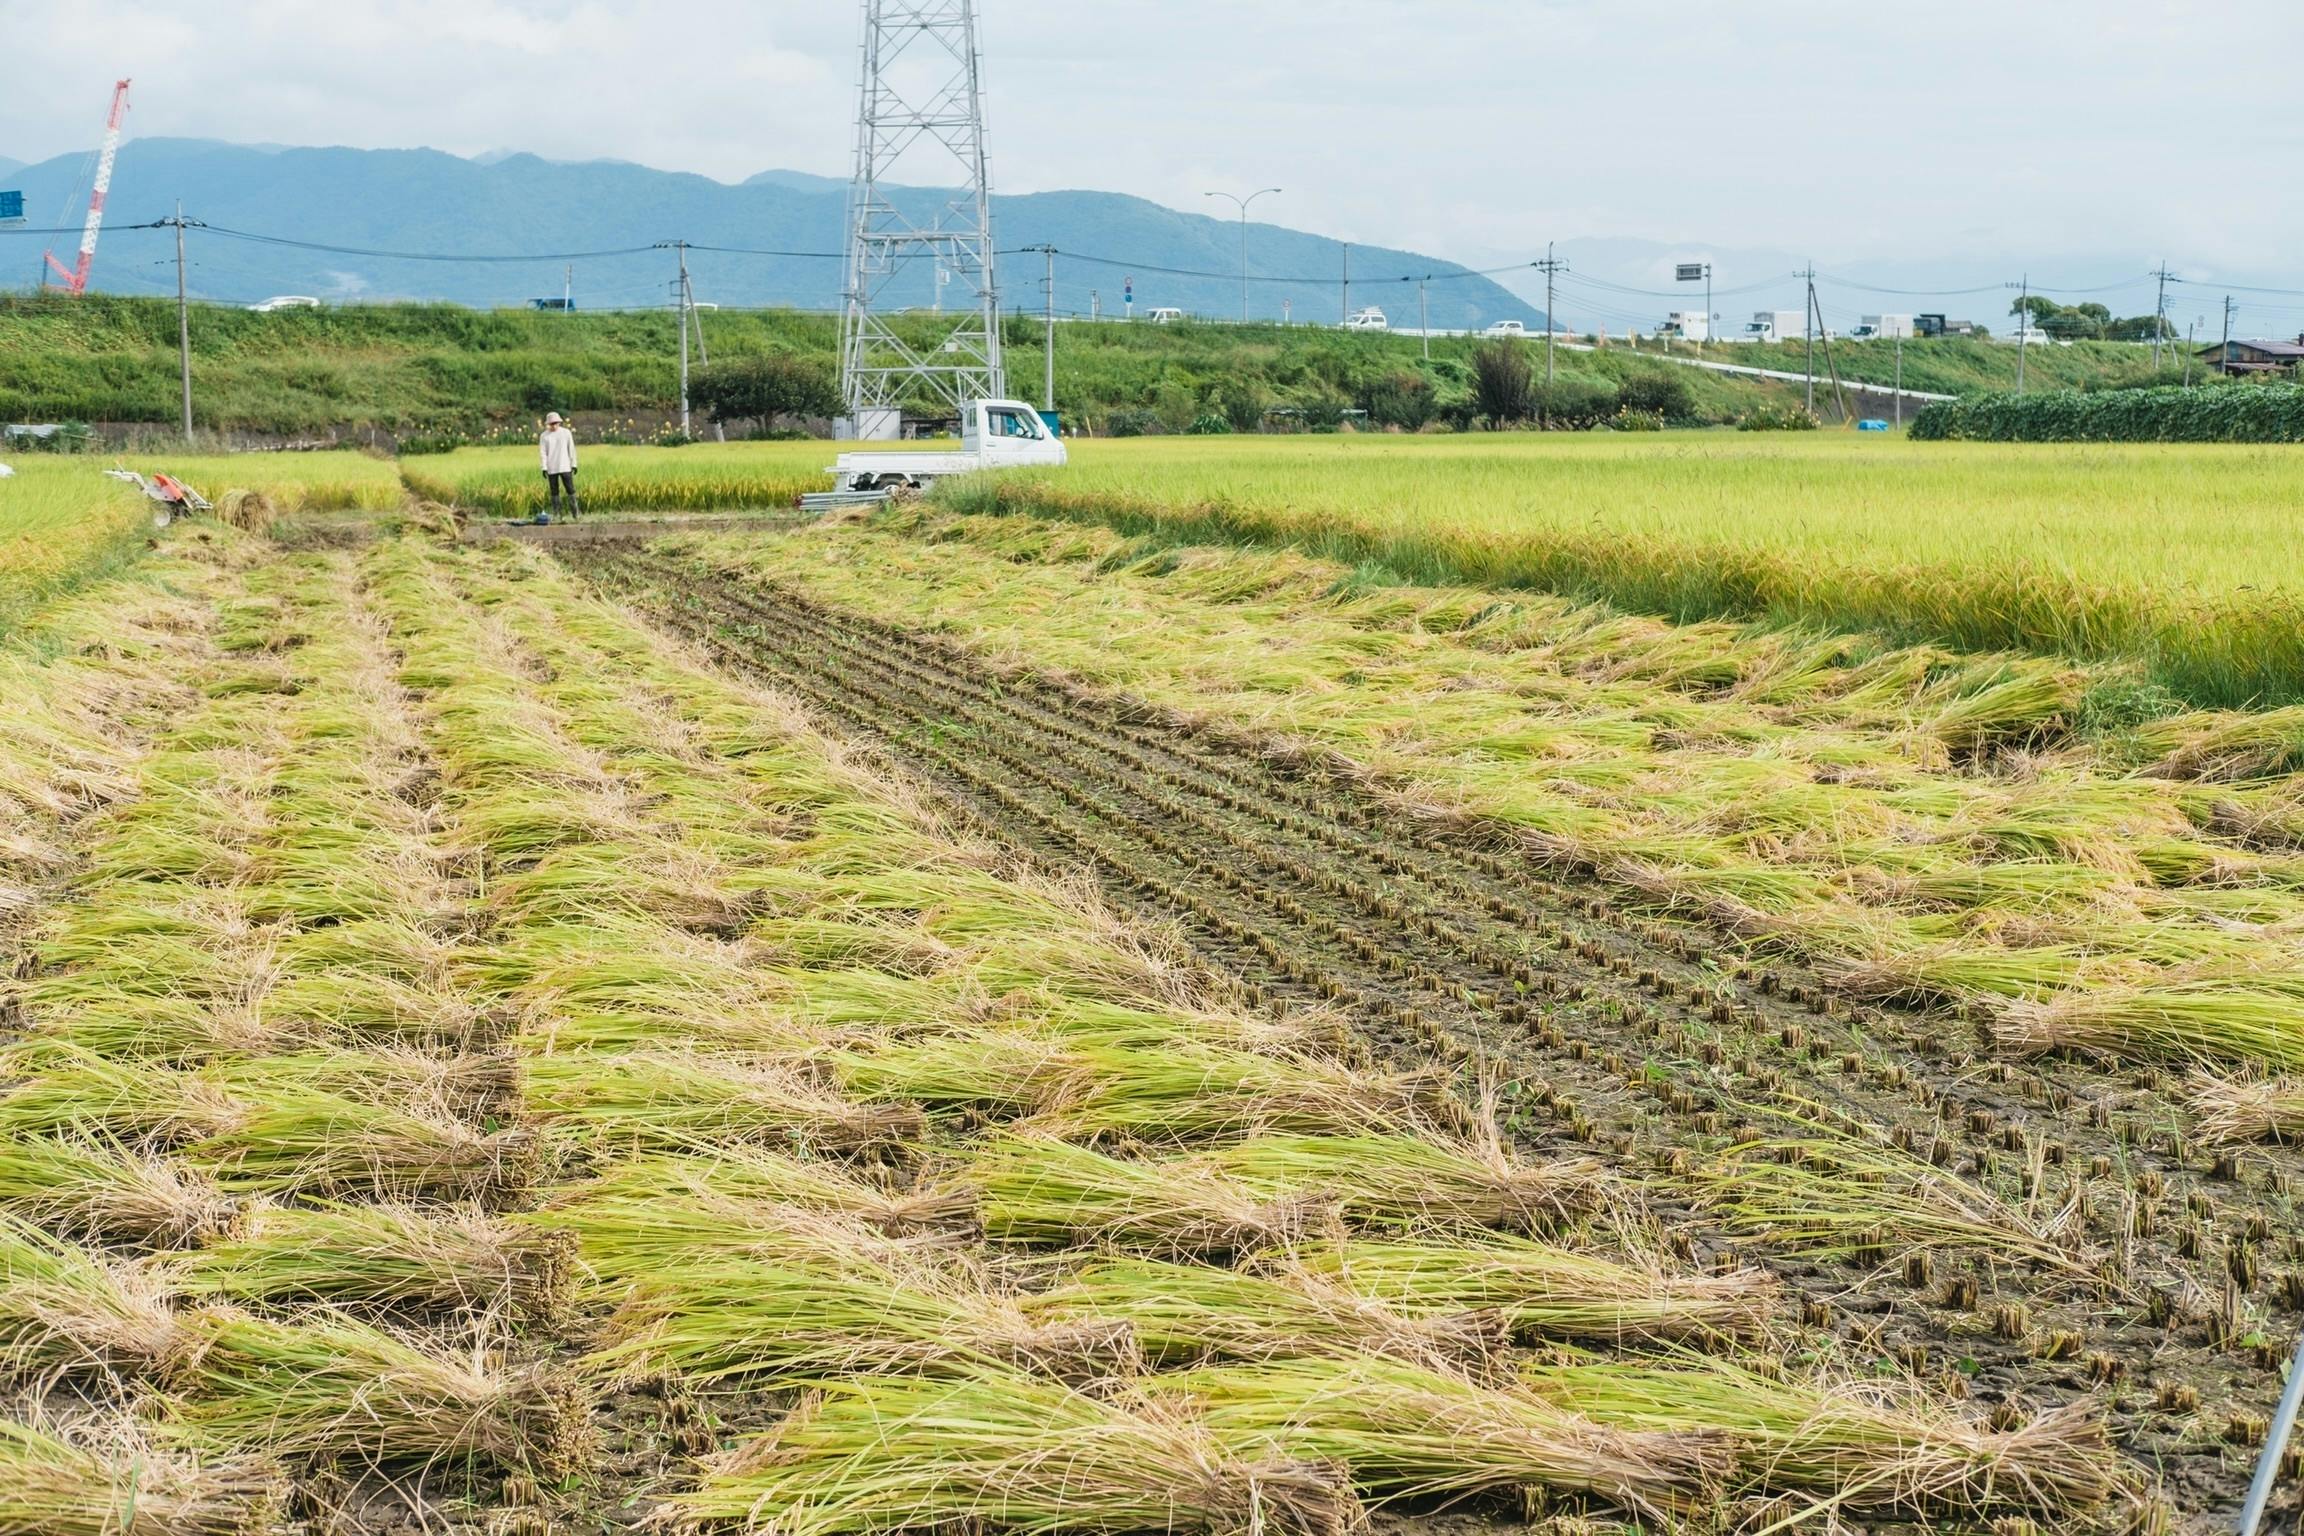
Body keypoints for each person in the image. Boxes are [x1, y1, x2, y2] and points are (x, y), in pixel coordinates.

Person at [538, 411, 579, 520]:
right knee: (554, 492)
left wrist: (574, 464)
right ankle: (558, 515)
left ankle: (575, 514)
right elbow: (543, 453)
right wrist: (544, 467)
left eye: (556, 423)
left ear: (559, 423)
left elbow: (571, 449)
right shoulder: (544, 436)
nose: (554, 425)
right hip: (552, 468)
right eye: (551, 424)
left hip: (565, 466)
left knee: (570, 489)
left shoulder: (566, 433)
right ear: (548, 424)